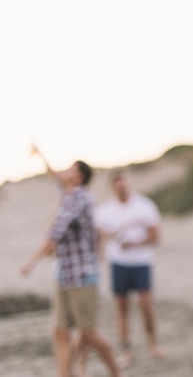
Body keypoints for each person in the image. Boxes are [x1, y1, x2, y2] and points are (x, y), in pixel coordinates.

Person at [21, 146, 123, 377]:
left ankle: (117, 373)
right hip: (64, 273)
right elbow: (53, 175)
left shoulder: (79, 198)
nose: (63, 171)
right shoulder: (67, 192)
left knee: (88, 331)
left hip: (82, 274)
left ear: (78, 176)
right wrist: (41, 155)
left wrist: (31, 262)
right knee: (60, 331)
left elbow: (55, 234)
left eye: (70, 168)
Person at [94, 168, 165, 367]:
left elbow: (156, 236)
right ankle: (126, 351)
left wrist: (134, 244)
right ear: (112, 187)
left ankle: (153, 344)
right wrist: (100, 253)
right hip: (118, 264)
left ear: (128, 184)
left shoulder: (144, 206)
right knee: (122, 309)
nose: (121, 188)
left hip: (141, 263)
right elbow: (98, 236)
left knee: (145, 305)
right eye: (117, 185)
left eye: (123, 183)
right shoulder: (104, 211)